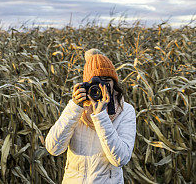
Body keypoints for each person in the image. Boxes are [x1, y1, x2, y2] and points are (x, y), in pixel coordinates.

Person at [45, 48, 137, 183]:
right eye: (96, 82)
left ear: (114, 83)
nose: (101, 86)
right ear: (86, 85)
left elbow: (120, 159)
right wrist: (75, 107)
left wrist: (101, 116)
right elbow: (53, 148)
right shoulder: (77, 109)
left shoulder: (125, 111)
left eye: (106, 80)